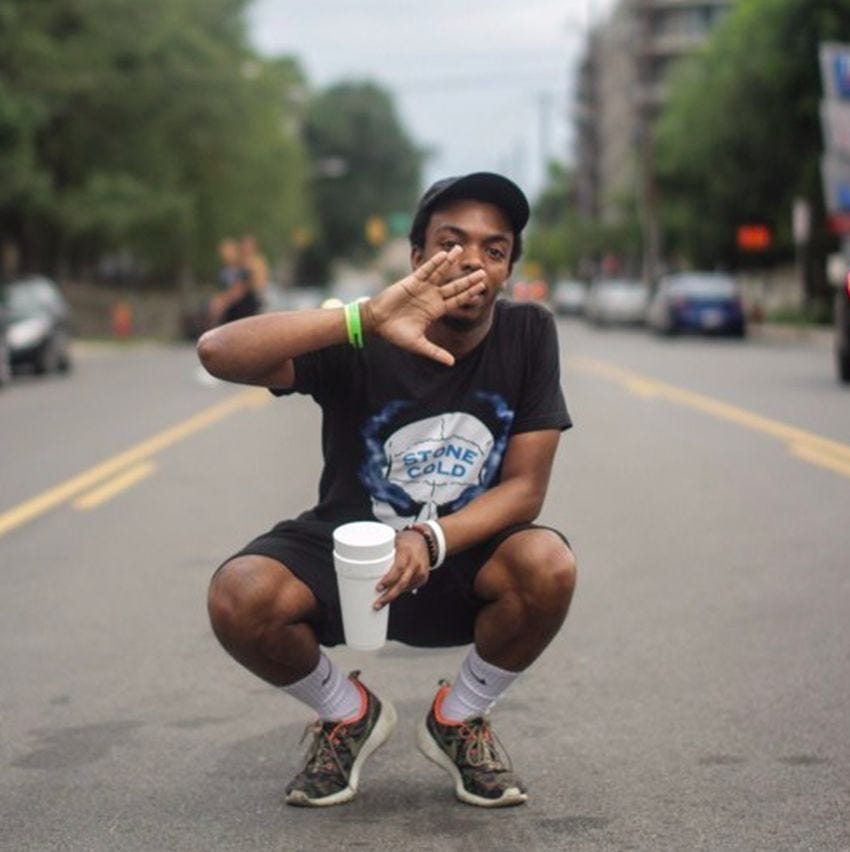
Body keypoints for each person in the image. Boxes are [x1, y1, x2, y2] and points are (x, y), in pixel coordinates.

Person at [197, 172, 577, 809]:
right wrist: (364, 318)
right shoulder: (360, 333)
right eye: (451, 243)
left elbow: (525, 490)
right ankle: (347, 714)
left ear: (508, 269)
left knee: (547, 565)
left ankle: (459, 718)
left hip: (461, 553)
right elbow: (217, 352)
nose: (472, 262)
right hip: (352, 556)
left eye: (494, 249)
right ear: (417, 256)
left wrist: (429, 538)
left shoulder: (528, 333)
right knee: (240, 595)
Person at [208, 237, 260, 327]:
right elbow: (220, 289)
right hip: (229, 311)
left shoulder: (243, 268)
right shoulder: (223, 270)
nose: (226, 255)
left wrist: (222, 301)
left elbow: (240, 289)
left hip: (243, 309)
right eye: (224, 252)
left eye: (229, 251)